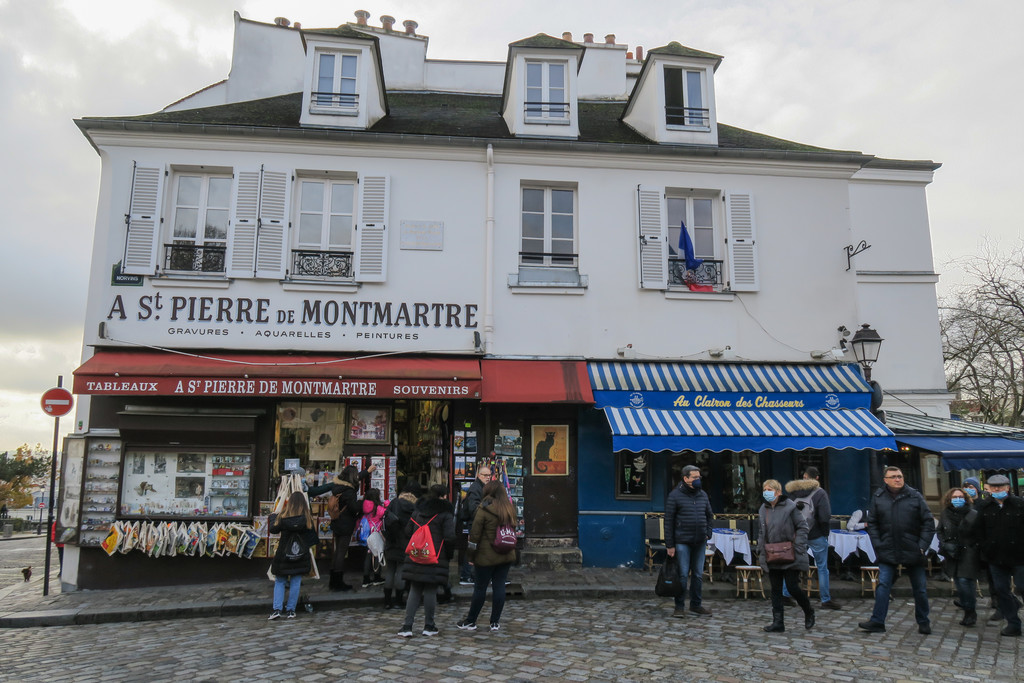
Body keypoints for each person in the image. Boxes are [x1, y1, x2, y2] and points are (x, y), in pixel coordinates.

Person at [858, 466, 935, 635]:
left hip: (912, 549)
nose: (897, 479)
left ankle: (923, 621)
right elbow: (873, 524)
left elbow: (928, 523)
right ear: (885, 480)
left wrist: (922, 546)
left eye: (900, 476)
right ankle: (878, 621)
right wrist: (878, 544)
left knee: (920, 588)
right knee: (884, 585)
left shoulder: (915, 496)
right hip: (888, 548)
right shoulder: (878, 498)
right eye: (893, 476)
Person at [457, 481, 519, 631]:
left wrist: (470, 557)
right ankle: (495, 622)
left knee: (480, 588)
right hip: (505, 554)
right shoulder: (510, 509)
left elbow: (475, 536)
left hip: (486, 556)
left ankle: (471, 620)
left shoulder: (484, 509)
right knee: (499, 587)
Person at [398, 483, 456, 637]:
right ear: (444, 496)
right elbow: (449, 537)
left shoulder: (418, 511)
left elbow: (407, 531)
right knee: (430, 589)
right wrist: (448, 555)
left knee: (415, 589)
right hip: (435, 556)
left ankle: (407, 626)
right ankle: (429, 626)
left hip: (417, 554)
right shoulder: (445, 513)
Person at [970, 473, 1024, 637]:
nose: (997, 489)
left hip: (1019, 555)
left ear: (1007, 488)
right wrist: (985, 548)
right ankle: (1013, 623)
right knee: (1001, 590)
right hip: (995, 557)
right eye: (994, 487)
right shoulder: (985, 507)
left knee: (1022, 587)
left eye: (1000, 487)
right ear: (989, 490)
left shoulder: (1019, 504)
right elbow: (978, 531)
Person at [308, 463, 376, 591]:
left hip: (337, 522)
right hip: (345, 524)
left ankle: (333, 580)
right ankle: (338, 582)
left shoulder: (338, 487)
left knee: (337, 551)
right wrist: (362, 502)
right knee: (341, 552)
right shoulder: (349, 491)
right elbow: (353, 507)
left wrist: (366, 471)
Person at [758, 479, 814, 632]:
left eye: (769, 489)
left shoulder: (790, 507)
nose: (766, 492)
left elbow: (803, 527)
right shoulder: (764, 509)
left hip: (790, 553)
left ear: (778, 492)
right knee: (775, 589)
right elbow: (762, 532)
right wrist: (760, 549)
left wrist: (798, 547)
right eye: (764, 489)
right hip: (772, 553)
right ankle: (778, 622)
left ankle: (808, 610)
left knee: (792, 587)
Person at [783, 467, 841, 610]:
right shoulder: (820, 493)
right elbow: (825, 516)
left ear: (804, 476)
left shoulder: (792, 492)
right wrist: (822, 531)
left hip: (796, 535)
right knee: (822, 567)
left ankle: (785, 595)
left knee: (791, 565)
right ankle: (825, 599)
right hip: (816, 534)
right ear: (816, 479)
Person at [664, 465, 714, 618]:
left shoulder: (702, 495)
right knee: (683, 574)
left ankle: (696, 604)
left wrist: (708, 532)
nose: (698, 480)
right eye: (694, 477)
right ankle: (679, 606)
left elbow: (709, 515)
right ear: (685, 478)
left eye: (699, 477)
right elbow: (669, 521)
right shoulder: (675, 495)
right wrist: (670, 545)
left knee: (698, 574)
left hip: (699, 541)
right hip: (682, 541)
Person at [267, 491, 319, 620]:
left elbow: (273, 529)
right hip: (300, 554)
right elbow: (312, 537)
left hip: (284, 554)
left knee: (280, 581)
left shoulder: (283, 518)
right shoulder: (306, 519)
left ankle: (277, 609)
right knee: (296, 581)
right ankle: (291, 610)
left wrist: (273, 516)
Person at [936, 487, 981, 626]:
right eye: (955, 497)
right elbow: (940, 531)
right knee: (959, 582)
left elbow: (980, 533)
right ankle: (966, 606)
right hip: (952, 552)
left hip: (969, 552)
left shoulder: (973, 514)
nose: (958, 500)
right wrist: (945, 544)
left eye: (960, 497)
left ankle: (970, 611)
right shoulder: (945, 514)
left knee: (965, 581)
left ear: (966, 499)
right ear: (949, 500)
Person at [382, 481, 420, 609]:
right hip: (405, 542)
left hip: (391, 541)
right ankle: (398, 600)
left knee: (390, 570)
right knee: (401, 570)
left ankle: (387, 601)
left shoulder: (394, 503)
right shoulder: (414, 508)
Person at [458, 466, 491, 586]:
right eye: (485, 475)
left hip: (479, 523)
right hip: (475, 523)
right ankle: (466, 575)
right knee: (473, 549)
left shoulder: (481, 487)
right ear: (478, 475)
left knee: (476, 549)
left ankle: (473, 575)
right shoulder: (475, 488)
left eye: (489, 475)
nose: (488, 478)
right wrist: (488, 506)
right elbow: (473, 509)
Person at [360, 487, 388, 588]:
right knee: (378, 554)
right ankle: (377, 577)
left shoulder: (364, 506)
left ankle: (366, 579)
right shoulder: (378, 508)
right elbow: (386, 512)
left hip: (366, 535)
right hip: (376, 535)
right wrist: (387, 503)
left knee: (367, 557)